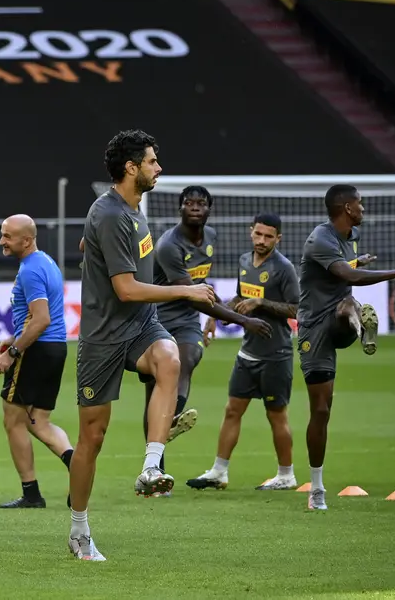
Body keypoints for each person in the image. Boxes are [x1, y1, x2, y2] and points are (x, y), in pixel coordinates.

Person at [68, 130, 217, 562]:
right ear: (131, 168)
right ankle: (78, 530)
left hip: (141, 326)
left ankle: (152, 465)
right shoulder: (113, 215)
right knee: (91, 439)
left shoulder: (130, 210)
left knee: (170, 358)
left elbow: (91, 243)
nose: (159, 167)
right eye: (153, 161)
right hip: (102, 337)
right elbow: (128, 289)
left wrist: (91, 243)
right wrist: (187, 293)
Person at [297, 184, 395, 511]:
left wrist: (360, 261)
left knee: (345, 305)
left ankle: (357, 323)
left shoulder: (350, 236)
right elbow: (346, 273)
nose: (363, 208)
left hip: (337, 318)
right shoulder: (321, 238)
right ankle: (317, 489)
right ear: (346, 207)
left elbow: (347, 269)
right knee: (321, 410)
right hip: (314, 327)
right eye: (360, 203)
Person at [147, 187, 271, 480]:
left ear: (208, 209)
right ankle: (154, 469)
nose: (194, 207)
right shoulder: (169, 246)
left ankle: (169, 421)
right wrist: (243, 320)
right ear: (180, 208)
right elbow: (193, 295)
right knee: (153, 390)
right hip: (157, 317)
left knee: (189, 357)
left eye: (201, 203)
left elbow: (201, 284)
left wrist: (212, 318)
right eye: (188, 203)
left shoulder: (211, 237)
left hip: (187, 319)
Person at [188, 213, 300, 492]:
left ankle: (286, 475)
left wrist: (261, 302)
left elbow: (298, 309)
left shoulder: (284, 269)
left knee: (276, 415)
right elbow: (240, 297)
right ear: (251, 232)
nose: (262, 241)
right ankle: (219, 472)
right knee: (232, 411)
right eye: (258, 234)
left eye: (269, 236)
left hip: (276, 354)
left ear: (278, 239)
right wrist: (216, 314)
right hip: (248, 353)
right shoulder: (243, 261)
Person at [0, 214, 74, 510]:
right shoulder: (45, 262)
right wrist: (14, 340)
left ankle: (31, 494)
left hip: (36, 351)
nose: (2, 241)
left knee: (13, 420)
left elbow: (41, 320)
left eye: (8, 236)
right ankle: (76, 464)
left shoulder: (30, 271)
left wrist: (12, 354)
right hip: (54, 349)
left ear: (26, 241)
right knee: (39, 422)